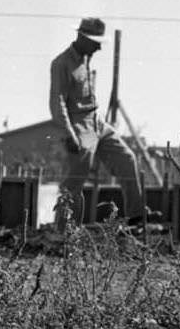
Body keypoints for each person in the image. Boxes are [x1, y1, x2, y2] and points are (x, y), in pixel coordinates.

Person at [49, 16, 144, 227]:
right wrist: (69, 134)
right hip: (78, 124)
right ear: (82, 38)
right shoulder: (61, 63)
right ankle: (63, 230)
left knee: (127, 159)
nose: (99, 48)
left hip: (96, 120)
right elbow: (57, 102)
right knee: (75, 178)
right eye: (96, 42)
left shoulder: (85, 59)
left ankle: (136, 216)